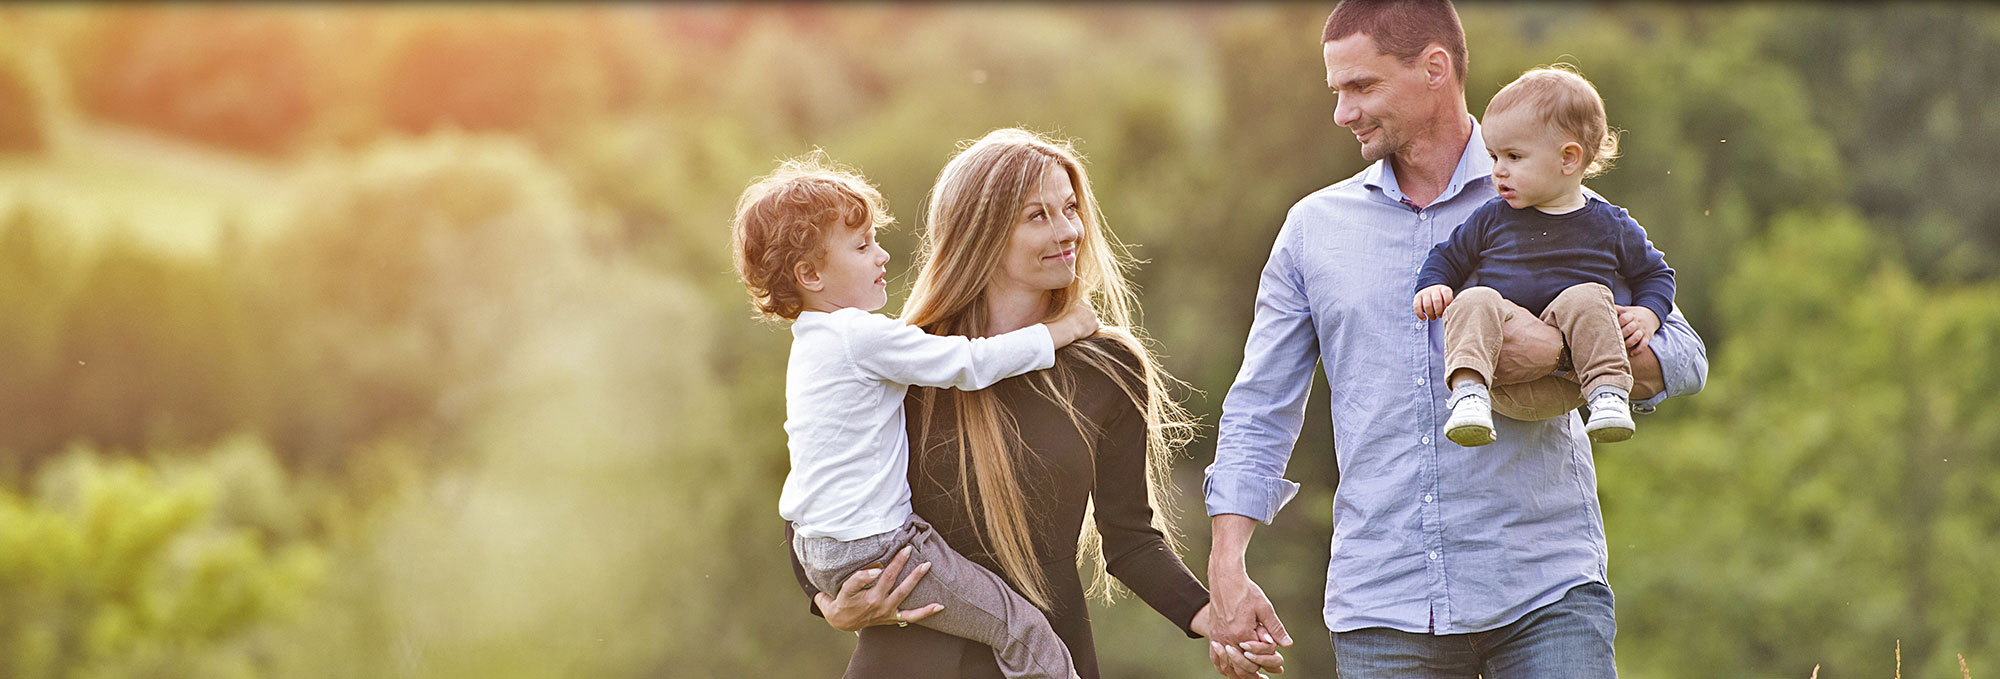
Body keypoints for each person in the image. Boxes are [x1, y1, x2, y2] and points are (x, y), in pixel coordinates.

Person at [1202, 1, 1709, 678]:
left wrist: (1561, 352)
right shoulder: (1312, 229)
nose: (1342, 112)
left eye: (1362, 87)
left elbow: (1683, 357)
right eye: (1336, 92)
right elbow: (1260, 404)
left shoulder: (1552, 193)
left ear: (1434, 69)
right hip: (1383, 607)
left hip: (1544, 592)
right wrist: (1227, 562)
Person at [787, 128, 1257, 679]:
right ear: (982, 234)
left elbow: (1130, 541)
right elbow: (818, 499)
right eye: (1037, 216)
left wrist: (1217, 618)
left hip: (1049, 655)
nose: (1068, 232)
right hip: (910, 659)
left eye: (1070, 209)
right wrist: (830, 605)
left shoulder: (1107, 367)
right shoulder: (908, 357)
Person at [730, 151, 1102, 679]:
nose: (882, 257)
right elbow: (970, 363)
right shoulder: (862, 338)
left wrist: (821, 594)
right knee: (1021, 627)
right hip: (880, 547)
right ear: (810, 273)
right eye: (862, 246)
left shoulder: (810, 346)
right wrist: (1058, 333)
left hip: (822, 549)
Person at [1412, 65, 1676, 447]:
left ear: (1569, 159)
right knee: (1475, 299)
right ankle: (1468, 395)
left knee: (1587, 296)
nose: (1497, 171)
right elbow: (1447, 256)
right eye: (1493, 156)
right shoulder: (1492, 216)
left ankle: (1609, 396)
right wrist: (1433, 284)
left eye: (1513, 157)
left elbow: (1656, 274)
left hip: (1575, 385)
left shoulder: (1610, 224)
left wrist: (1649, 314)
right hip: (1501, 375)